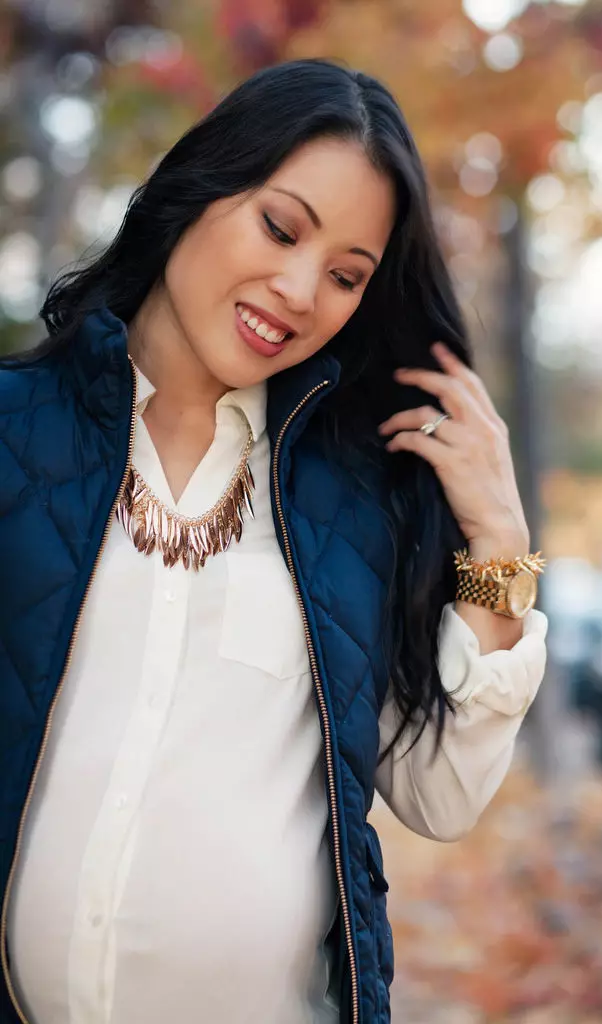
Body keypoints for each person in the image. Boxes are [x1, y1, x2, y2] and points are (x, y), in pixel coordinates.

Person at [0, 58, 547, 1024]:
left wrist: (498, 541)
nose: (299, 290)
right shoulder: (11, 436)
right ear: (197, 188)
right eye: (280, 227)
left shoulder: (352, 502)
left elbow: (440, 794)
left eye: (345, 276)